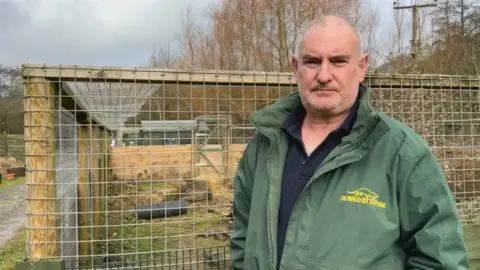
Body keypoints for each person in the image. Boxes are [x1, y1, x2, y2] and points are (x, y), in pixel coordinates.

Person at [229, 15, 470, 270]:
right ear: (295, 67)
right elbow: (243, 242)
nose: (324, 75)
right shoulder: (264, 147)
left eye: (338, 61)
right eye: (312, 61)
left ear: (362, 67)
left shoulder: (402, 153)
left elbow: (441, 260)